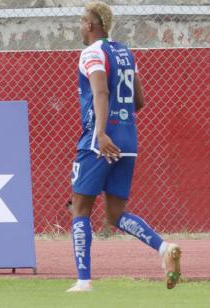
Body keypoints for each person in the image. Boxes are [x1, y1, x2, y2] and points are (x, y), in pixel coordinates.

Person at [68, 1, 181, 292]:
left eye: (82, 20)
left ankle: (83, 281)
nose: (81, 25)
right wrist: (120, 123)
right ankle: (163, 247)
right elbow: (139, 101)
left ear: (91, 25)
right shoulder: (125, 52)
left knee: (80, 209)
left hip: (99, 141)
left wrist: (103, 132)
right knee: (116, 215)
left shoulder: (92, 53)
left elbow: (100, 90)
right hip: (129, 139)